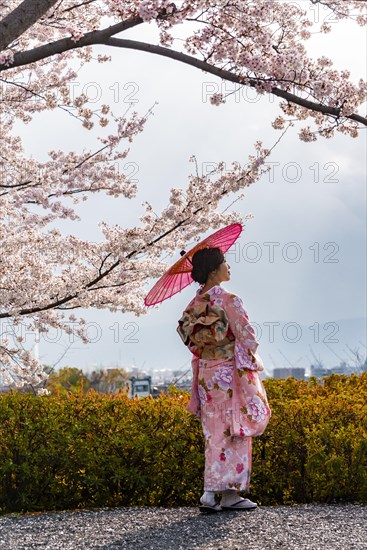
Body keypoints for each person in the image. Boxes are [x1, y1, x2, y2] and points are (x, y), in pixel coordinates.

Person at [177, 247, 271, 513]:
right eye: (224, 262)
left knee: (215, 429)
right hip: (229, 374)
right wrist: (244, 355)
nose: (229, 266)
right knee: (235, 428)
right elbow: (248, 337)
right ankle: (210, 493)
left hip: (208, 373)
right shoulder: (229, 299)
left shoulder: (194, 304)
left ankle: (228, 495)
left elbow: (190, 339)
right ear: (214, 270)